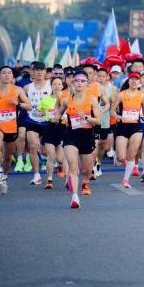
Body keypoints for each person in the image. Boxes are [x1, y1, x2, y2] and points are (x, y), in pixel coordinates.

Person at [60, 70, 102, 209]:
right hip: (70, 135)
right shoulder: (67, 99)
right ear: (73, 82)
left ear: (87, 83)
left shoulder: (92, 99)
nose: (79, 83)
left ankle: (86, 180)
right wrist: (55, 117)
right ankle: (75, 197)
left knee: (87, 168)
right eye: (77, 80)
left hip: (87, 135)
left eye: (83, 81)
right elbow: (58, 112)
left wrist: (86, 117)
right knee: (73, 166)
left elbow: (98, 120)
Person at [0, 66, 32, 195]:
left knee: (8, 157)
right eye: (4, 73)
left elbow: (29, 106)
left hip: (12, 126)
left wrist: (18, 104)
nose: (6, 75)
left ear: (12, 76)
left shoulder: (18, 90)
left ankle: (4, 176)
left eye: (9, 73)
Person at [114, 72, 144, 189]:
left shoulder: (142, 96)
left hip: (136, 127)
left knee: (132, 154)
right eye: (132, 79)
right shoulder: (121, 95)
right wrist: (116, 116)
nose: (134, 81)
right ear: (128, 81)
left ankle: (126, 180)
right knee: (121, 157)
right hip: (122, 126)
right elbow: (112, 110)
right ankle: (117, 157)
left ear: (139, 82)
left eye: (136, 79)